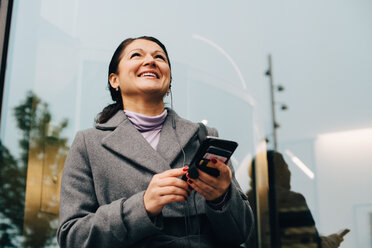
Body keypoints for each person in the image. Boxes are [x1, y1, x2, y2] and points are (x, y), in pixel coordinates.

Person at [57, 36, 254, 248]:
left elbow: (241, 233)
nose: (151, 61)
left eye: (159, 57)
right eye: (136, 55)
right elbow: (72, 238)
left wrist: (221, 198)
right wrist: (143, 206)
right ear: (115, 80)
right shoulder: (89, 143)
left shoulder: (203, 136)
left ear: (168, 83)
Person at [246, 150, 346, 248]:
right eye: (286, 168)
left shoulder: (248, 202)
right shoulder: (290, 200)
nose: (290, 173)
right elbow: (309, 245)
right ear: (278, 172)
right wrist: (333, 240)